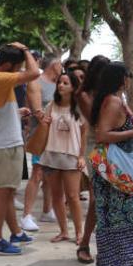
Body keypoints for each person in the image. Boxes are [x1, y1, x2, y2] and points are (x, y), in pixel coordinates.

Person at [91, 62, 133, 266]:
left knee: (110, 219)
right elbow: (102, 134)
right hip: (115, 175)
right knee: (119, 220)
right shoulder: (113, 101)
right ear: (121, 78)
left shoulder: (114, 100)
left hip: (114, 172)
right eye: (129, 76)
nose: (131, 80)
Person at [0, 43, 39, 255]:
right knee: (1, 196)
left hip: (3, 143)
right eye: (16, 67)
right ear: (6, 65)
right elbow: (34, 73)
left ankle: (15, 232)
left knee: (7, 193)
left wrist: (15, 112)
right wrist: (26, 50)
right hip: (5, 146)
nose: (18, 71)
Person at [40, 70, 86, 243]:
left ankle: (79, 233)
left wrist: (81, 156)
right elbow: (44, 126)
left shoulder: (79, 108)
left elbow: (83, 133)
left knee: (73, 197)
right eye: (60, 82)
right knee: (56, 196)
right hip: (51, 154)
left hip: (71, 156)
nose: (60, 85)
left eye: (66, 83)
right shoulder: (52, 105)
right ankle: (64, 231)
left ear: (74, 87)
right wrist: (42, 119)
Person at [20, 56, 60, 232]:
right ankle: (26, 215)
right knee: (37, 173)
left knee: (50, 175)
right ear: (54, 65)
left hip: (56, 136)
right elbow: (37, 111)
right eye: (61, 64)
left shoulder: (59, 83)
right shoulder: (36, 82)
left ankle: (47, 210)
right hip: (41, 135)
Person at [75, 55, 108, 264]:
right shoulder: (84, 94)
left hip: (110, 146)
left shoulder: (109, 94)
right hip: (95, 147)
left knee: (105, 200)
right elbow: (97, 123)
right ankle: (85, 243)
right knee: (97, 200)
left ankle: (103, 246)